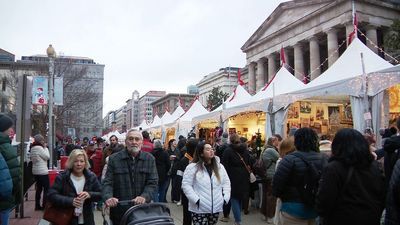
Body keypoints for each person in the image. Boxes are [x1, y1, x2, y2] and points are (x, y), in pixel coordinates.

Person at [316, 128, 385, 225]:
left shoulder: (334, 168)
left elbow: (324, 201)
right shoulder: (374, 166)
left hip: (341, 219)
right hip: (370, 218)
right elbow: (382, 195)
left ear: (337, 146)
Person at [272, 127, 327, 225]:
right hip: (315, 208)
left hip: (292, 209)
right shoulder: (324, 159)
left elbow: (276, 188)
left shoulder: (288, 159)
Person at [102, 129, 158, 225]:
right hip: (119, 211)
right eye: (131, 139)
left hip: (142, 210)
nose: (134, 142)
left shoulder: (149, 159)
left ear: (141, 142)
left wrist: (144, 196)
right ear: (125, 141)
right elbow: (108, 182)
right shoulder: (114, 159)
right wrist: (108, 197)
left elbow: (152, 182)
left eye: (137, 139)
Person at [47, 149, 101, 225]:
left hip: (86, 219)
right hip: (65, 219)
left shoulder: (91, 177)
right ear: (71, 162)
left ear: (85, 162)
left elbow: (101, 194)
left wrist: (89, 194)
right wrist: (70, 201)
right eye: (76, 161)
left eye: (82, 161)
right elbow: (51, 195)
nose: (79, 164)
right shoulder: (62, 177)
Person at [182, 142, 231, 225]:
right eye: (208, 149)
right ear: (201, 153)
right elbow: (186, 185)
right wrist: (196, 200)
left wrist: (225, 197)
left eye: (212, 149)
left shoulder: (220, 167)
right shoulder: (192, 167)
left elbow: (226, 183)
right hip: (199, 208)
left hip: (215, 207)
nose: (211, 151)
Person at [222, 133, 253, 225]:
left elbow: (224, 165)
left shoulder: (228, 151)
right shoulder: (245, 150)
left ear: (230, 141)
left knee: (234, 198)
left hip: (232, 177)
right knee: (239, 198)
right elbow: (249, 162)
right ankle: (238, 218)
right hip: (244, 176)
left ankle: (238, 220)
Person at [0, 114, 20, 225]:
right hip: (5, 195)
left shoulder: (7, 144)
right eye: (9, 127)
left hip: (7, 195)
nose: (11, 130)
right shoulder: (5, 146)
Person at [176, 138, 198, 225]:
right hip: (187, 192)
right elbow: (179, 177)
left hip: (197, 191)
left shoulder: (196, 159)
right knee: (187, 214)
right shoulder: (184, 160)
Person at [260, 136, 280, 223]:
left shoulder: (264, 149)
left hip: (265, 175)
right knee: (271, 197)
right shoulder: (271, 150)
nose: (278, 142)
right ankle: (270, 216)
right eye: (277, 141)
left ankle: (264, 214)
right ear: (273, 141)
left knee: (265, 195)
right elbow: (280, 158)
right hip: (271, 175)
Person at [30, 134, 50, 210]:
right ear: (40, 141)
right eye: (42, 140)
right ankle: (44, 205)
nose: (43, 141)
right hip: (42, 172)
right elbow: (47, 157)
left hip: (35, 171)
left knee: (39, 189)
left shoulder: (33, 148)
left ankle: (37, 205)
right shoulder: (40, 148)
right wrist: (45, 148)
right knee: (46, 188)